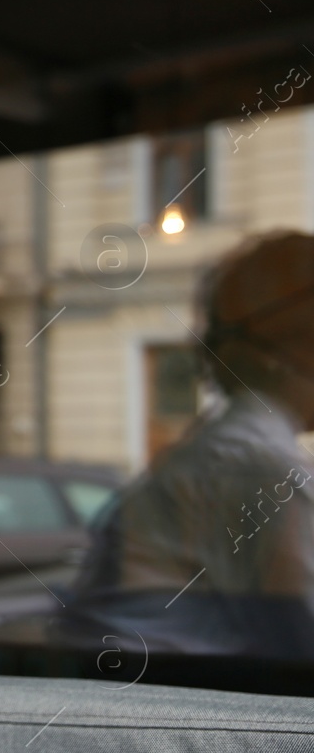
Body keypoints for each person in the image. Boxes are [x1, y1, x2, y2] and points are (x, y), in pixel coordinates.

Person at [63, 230, 314, 659]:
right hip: (152, 714)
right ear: (284, 352)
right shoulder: (259, 470)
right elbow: (302, 642)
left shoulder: (223, 455)